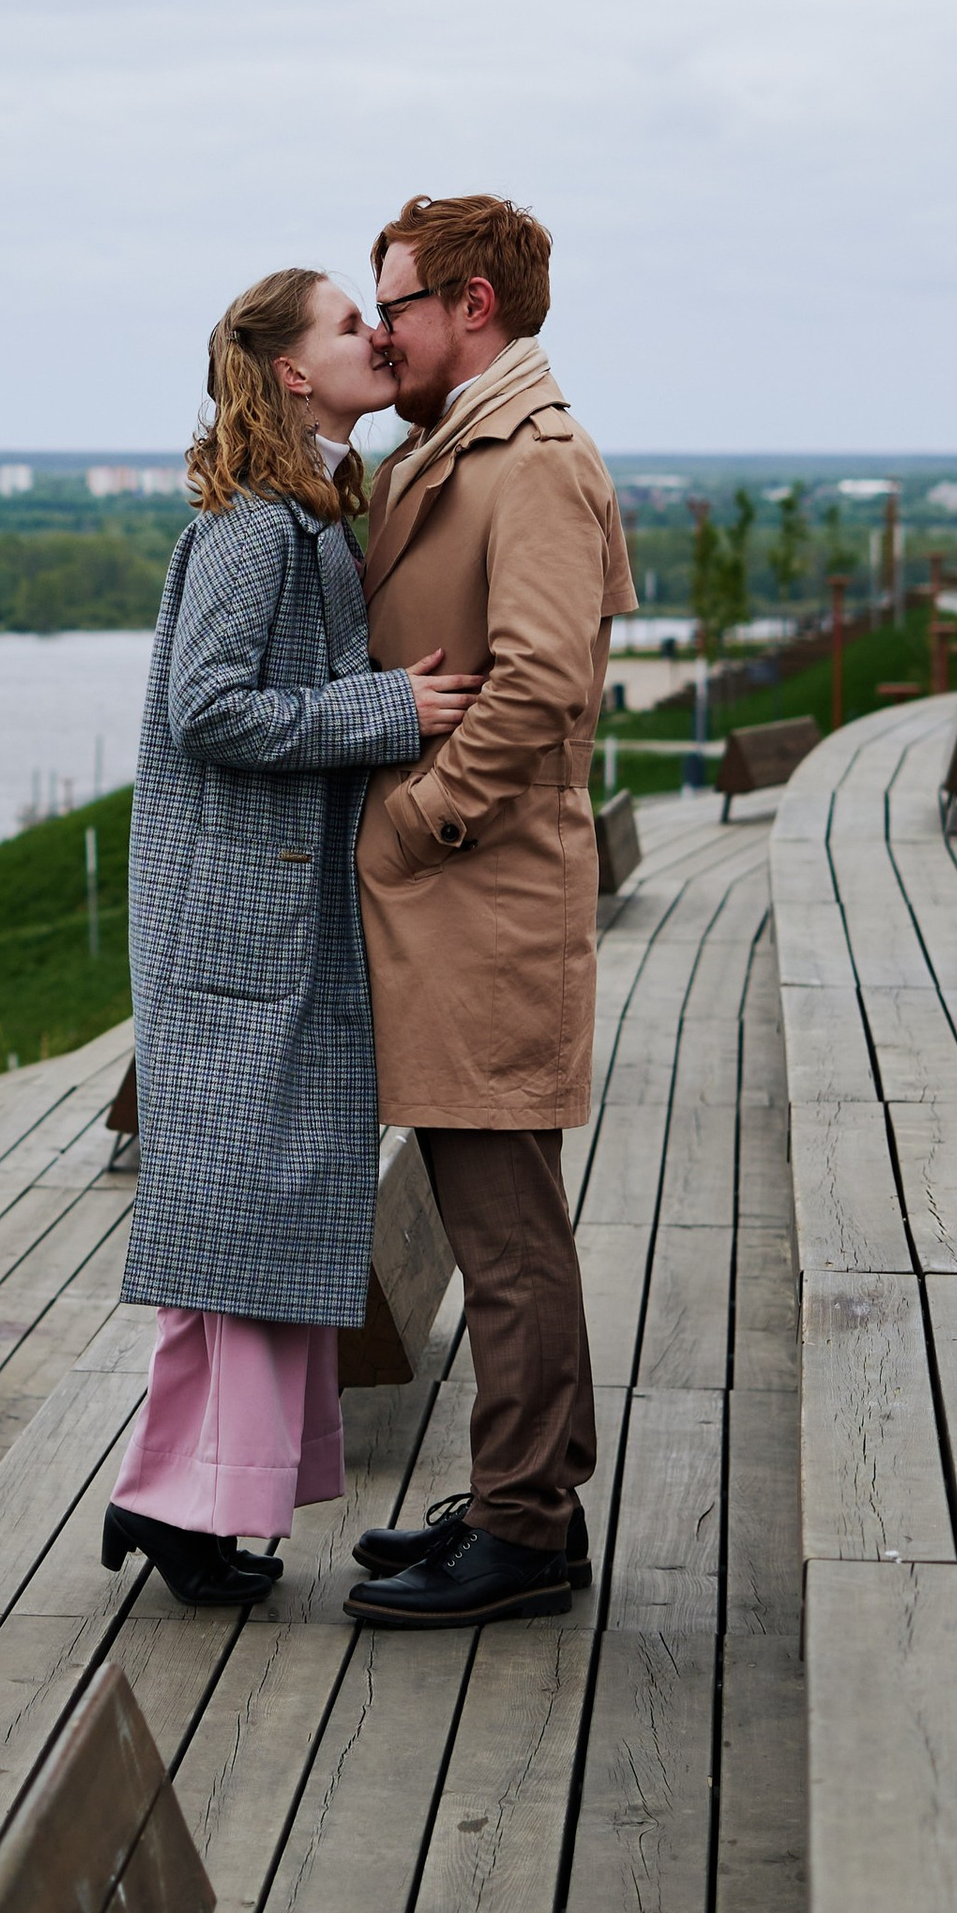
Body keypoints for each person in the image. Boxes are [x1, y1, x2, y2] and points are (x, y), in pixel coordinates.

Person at [110, 266, 481, 1607]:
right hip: (236, 939)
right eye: (345, 323)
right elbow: (209, 706)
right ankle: (181, 1509)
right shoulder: (255, 525)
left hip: (271, 931)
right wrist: (387, 709)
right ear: (290, 372)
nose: (375, 335)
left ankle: (188, 1503)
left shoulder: (310, 506)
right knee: (236, 1229)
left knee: (249, 1230)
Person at [343, 192, 634, 1631]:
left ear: (470, 304)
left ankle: (528, 1522)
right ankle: (522, 1491)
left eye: (391, 302)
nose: (377, 326)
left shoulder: (534, 462)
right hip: (453, 901)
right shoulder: (452, 449)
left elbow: (540, 686)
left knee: (506, 1226)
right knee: (488, 1213)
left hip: (485, 891)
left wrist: (411, 818)